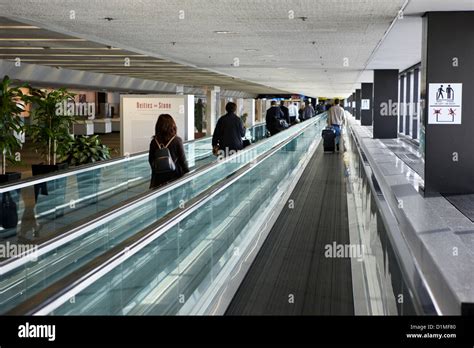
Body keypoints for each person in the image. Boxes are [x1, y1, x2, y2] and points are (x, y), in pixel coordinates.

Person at [149, 114, 189, 188]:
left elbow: (151, 160)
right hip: (175, 177)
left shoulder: (154, 142)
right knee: (176, 198)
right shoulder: (177, 141)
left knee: (160, 199)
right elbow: (183, 161)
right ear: (172, 125)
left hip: (158, 179)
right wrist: (189, 175)